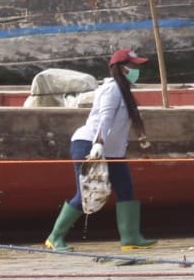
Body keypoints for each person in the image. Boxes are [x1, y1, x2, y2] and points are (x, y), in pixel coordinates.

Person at [43, 48, 158, 252]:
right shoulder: (112, 89)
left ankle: (131, 238)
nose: (137, 70)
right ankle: (55, 237)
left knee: (126, 189)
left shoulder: (124, 90)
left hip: (112, 151)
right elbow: (104, 119)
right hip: (89, 144)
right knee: (85, 193)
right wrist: (98, 144)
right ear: (122, 68)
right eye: (133, 66)